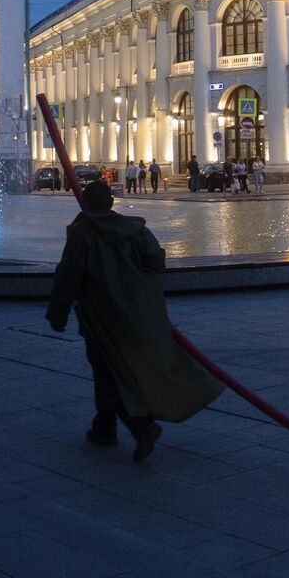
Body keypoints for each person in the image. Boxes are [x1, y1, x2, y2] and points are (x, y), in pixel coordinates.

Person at [45, 180, 223, 463]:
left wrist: (58, 314)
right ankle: (104, 427)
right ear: (112, 203)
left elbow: (69, 275)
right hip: (137, 312)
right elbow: (156, 260)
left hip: (101, 316)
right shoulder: (135, 230)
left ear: (87, 204)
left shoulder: (82, 233)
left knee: (107, 371)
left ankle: (141, 428)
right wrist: (135, 282)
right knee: (128, 366)